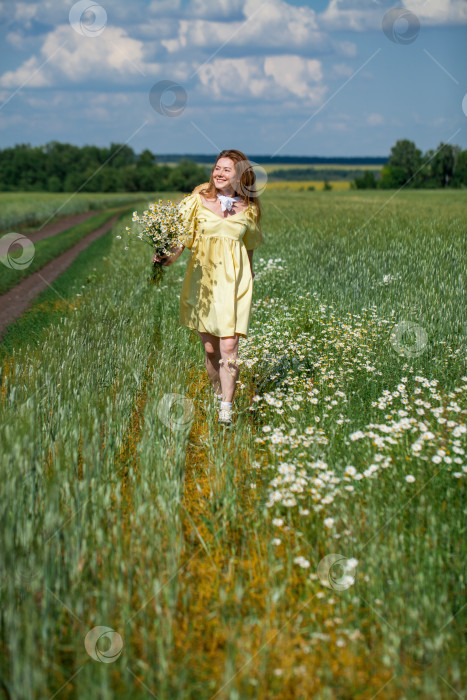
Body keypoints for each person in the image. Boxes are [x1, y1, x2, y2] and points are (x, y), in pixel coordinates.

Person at [153, 149, 264, 426]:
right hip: (203, 282)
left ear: (239, 176)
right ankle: (218, 393)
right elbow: (180, 242)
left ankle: (226, 406)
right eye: (217, 168)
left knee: (230, 345)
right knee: (211, 350)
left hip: (235, 284)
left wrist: (249, 273)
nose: (219, 173)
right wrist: (166, 259)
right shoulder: (195, 203)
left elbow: (248, 246)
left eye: (227, 169)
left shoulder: (249, 208)